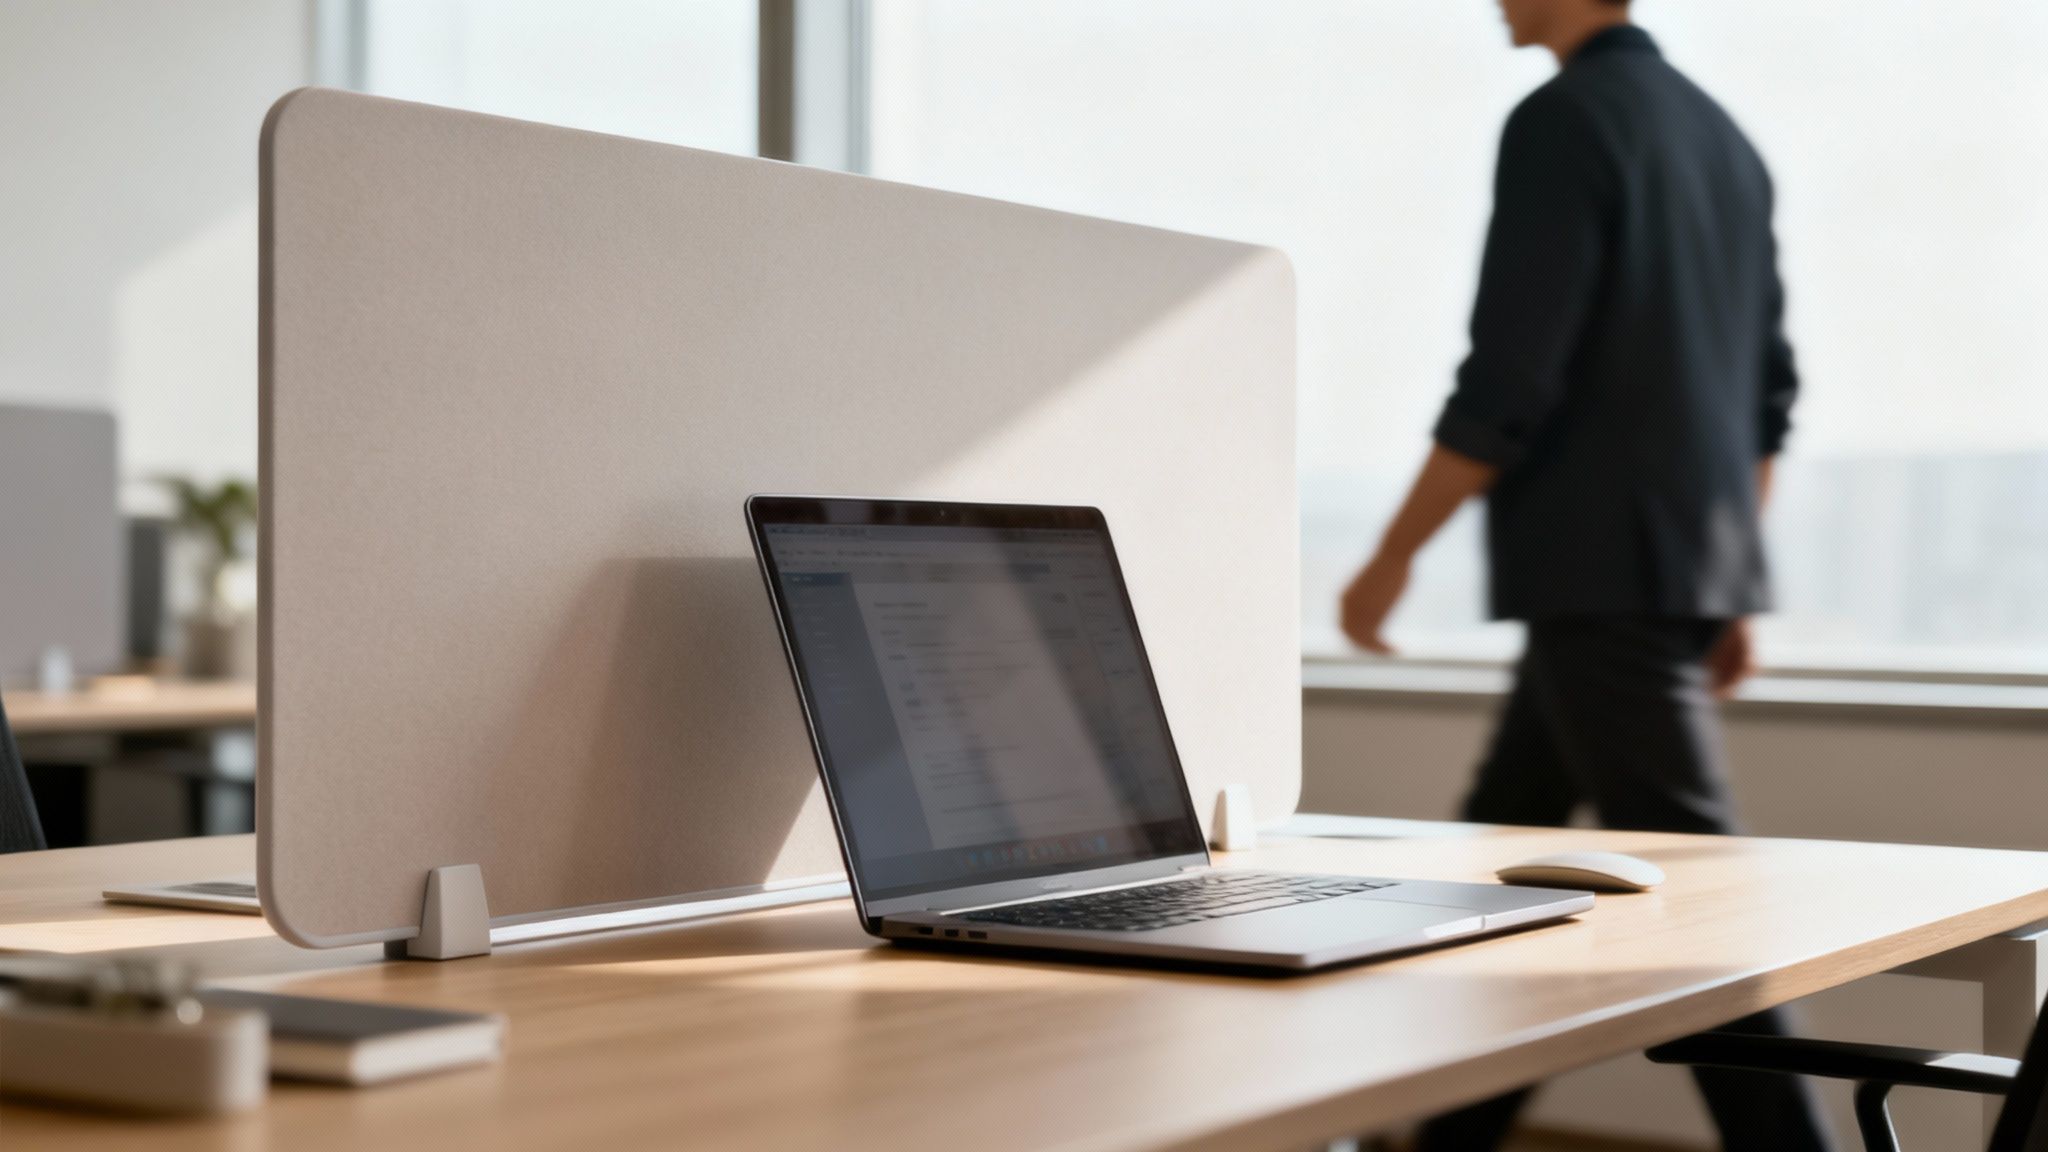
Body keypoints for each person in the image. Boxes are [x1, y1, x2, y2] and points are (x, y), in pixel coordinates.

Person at [1338, 0, 1829, 1148]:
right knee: (1500, 860)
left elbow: (1508, 376)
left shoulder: (1561, 119)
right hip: (1658, 574)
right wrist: (1726, 582)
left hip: (1595, 576)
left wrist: (1389, 556)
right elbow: (1768, 391)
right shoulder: (1720, 135)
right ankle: (1446, 1137)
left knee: (1699, 899)